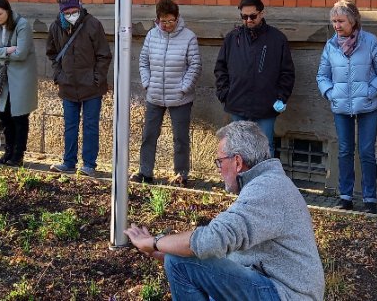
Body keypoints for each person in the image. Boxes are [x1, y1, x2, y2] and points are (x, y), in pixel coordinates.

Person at [124, 121, 325, 301]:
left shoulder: (266, 189)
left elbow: (212, 240)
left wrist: (154, 242)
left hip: (287, 294)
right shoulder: (268, 182)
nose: (219, 169)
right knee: (180, 260)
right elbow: (224, 255)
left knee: (179, 261)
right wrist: (163, 252)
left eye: (220, 161)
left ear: (237, 162)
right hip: (275, 286)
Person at [316, 0, 377, 214]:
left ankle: (370, 199)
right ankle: (345, 196)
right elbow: (322, 75)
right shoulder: (330, 45)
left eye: (340, 20)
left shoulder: (370, 41)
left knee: (367, 152)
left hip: (368, 105)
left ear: (353, 20)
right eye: (334, 21)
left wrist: (372, 91)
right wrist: (331, 93)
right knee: (344, 150)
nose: (336, 25)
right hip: (341, 106)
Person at [214, 0, 295, 156]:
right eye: (244, 17)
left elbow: (287, 72)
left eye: (252, 16)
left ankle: (266, 180)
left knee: (266, 148)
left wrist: (280, 97)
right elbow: (220, 68)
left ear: (261, 13)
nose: (249, 20)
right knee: (238, 149)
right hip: (237, 104)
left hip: (266, 106)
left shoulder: (277, 38)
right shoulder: (233, 38)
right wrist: (225, 94)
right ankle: (242, 181)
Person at [133, 0, 202, 186]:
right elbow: (143, 62)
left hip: (180, 98)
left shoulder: (189, 36)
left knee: (180, 138)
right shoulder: (151, 35)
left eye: (171, 21)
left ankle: (180, 174)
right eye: (163, 21)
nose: (167, 25)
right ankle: (145, 172)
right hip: (154, 95)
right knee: (149, 135)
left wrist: (184, 87)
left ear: (177, 18)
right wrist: (147, 83)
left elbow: (195, 65)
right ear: (158, 20)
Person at [46, 0, 112, 176]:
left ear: (80, 7)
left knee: (90, 125)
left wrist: (96, 78)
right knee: (70, 125)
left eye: (74, 10)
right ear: (61, 12)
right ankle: (69, 162)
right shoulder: (56, 27)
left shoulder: (92, 24)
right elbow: (52, 53)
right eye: (67, 12)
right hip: (68, 85)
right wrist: (59, 75)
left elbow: (103, 55)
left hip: (91, 86)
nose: (71, 14)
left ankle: (89, 164)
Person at [0, 0, 38, 167]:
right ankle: (7, 152)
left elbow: (22, 54)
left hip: (21, 75)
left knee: (19, 116)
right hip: (4, 75)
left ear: (7, 10)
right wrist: (7, 50)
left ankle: (18, 155)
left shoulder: (21, 25)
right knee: (4, 114)